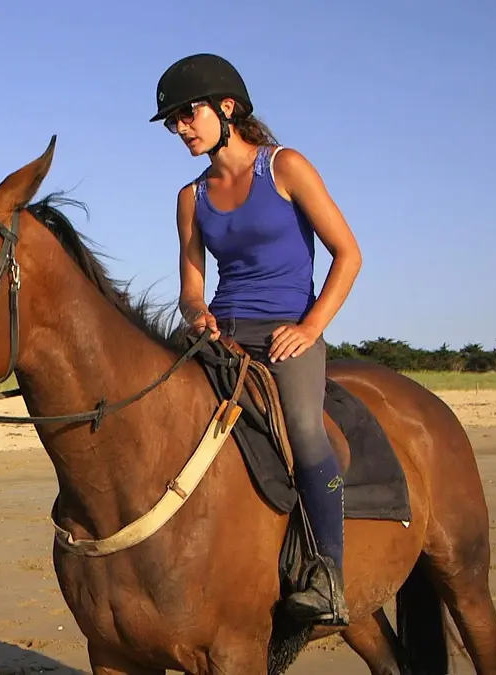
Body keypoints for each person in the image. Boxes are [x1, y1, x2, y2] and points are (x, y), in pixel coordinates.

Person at [150, 54, 363, 627]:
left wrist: (311, 327)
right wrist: (197, 314)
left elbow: (349, 253)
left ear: (226, 107)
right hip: (222, 332)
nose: (180, 128)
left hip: (287, 330)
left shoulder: (285, 167)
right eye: (172, 122)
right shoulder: (190, 198)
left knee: (302, 427)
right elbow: (191, 285)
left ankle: (326, 574)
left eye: (186, 114)